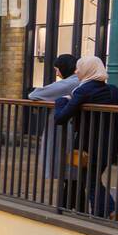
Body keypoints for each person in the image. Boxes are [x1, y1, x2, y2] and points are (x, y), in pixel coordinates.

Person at [54, 55, 118, 218]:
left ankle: (109, 212)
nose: (76, 71)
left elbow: (61, 118)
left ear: (88, 70)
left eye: (79, 68)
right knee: (91, 179)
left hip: (89, 145)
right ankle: (102, 212)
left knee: (90, 181)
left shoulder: (83, 90)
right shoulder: (113, 90)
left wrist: (61, 101)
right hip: (109, 144)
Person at [29, 53, 79, 185]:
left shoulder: (70, 82)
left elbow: (35, 94)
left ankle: (67, 204)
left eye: (57, 69)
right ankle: (67, 203)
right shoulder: (78, 81)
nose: (57, 74)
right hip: (74, 130)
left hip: (67, 129)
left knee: (67, 166)